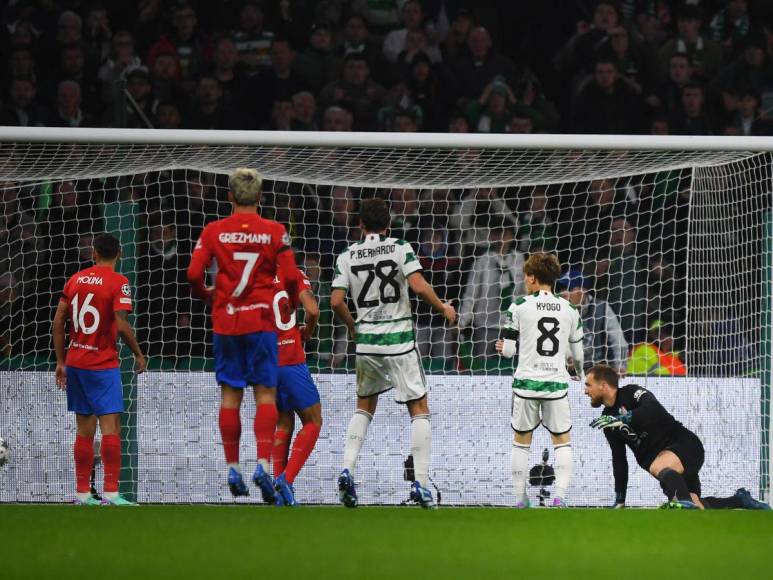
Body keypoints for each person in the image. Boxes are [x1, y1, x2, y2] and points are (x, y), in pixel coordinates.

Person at [330, 197, 456, 509]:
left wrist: (353, 326)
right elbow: (417, 285)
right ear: (389, 224)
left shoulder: (347, 255)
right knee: (419, 408)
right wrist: (443, 308)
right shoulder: (400, 247)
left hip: (367, 343)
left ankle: (347, 469)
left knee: (364, 408)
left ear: (360, 225)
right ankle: (421, 485)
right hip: (399, 340)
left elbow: (335, 301)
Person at [186, 168, 298, 503]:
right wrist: (290, 303)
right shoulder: (275, 231)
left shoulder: (214, 230)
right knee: (266, 395)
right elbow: (291, 276)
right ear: (261, 197)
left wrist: (206, 294)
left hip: (227, 323)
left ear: (230, 197)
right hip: (262, 323)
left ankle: (232, 467)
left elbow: (193, 273)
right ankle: (263, 463)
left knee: (230, 396)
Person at [585, 363, 770, 510]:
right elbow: (619, 459)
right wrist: (620, 500)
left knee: (663, 472)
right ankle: (739, 500)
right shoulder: (606, 421)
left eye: (588, 385)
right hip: (670, 473)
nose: (585, 391)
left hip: (686, 447)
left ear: (603, 385)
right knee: (697, 503)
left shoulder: (631, 392)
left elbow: (653, 408)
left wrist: (626, 417)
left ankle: (683, 503)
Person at [52, 233, 146, 506]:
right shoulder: (120, 282)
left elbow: (59, 322)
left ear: (93, 253)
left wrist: (61, 361)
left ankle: (82, 494)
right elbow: (120, 324)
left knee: (83, 429)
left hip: (76, 361)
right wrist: (138, 353)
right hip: (102, 363)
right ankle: (111, 493)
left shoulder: (75, 280)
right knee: (111, 427)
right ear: (120, 254)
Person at [495, 253, 584, 508]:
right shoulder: (570, 309)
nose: (524, 281)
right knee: (562, 441)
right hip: (556, 385)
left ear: (533, 278)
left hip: (526, 385)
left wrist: (502, 347)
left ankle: (521, 500)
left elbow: (510, 352)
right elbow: (577, 354)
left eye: (525, 277)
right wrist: (580, 371)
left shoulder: (519, 306)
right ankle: (560, 497)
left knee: (521, 442)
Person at [271, 266, 322, 507]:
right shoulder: (294, 273)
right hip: (291, 358)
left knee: (283, 422)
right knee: (313, 420)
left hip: (265, 361)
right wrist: (307, 333)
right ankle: (286, 480)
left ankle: (279, 494)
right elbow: (312, 310)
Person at [558, 269, 627, 375]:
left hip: (597, 372)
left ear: (583, 290)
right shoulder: (557, 311)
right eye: (561, 289)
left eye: (569, 289)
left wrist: (620, 365)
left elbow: (619, 341)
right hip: (565, 372)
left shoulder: (601, 308)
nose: (563, 293)